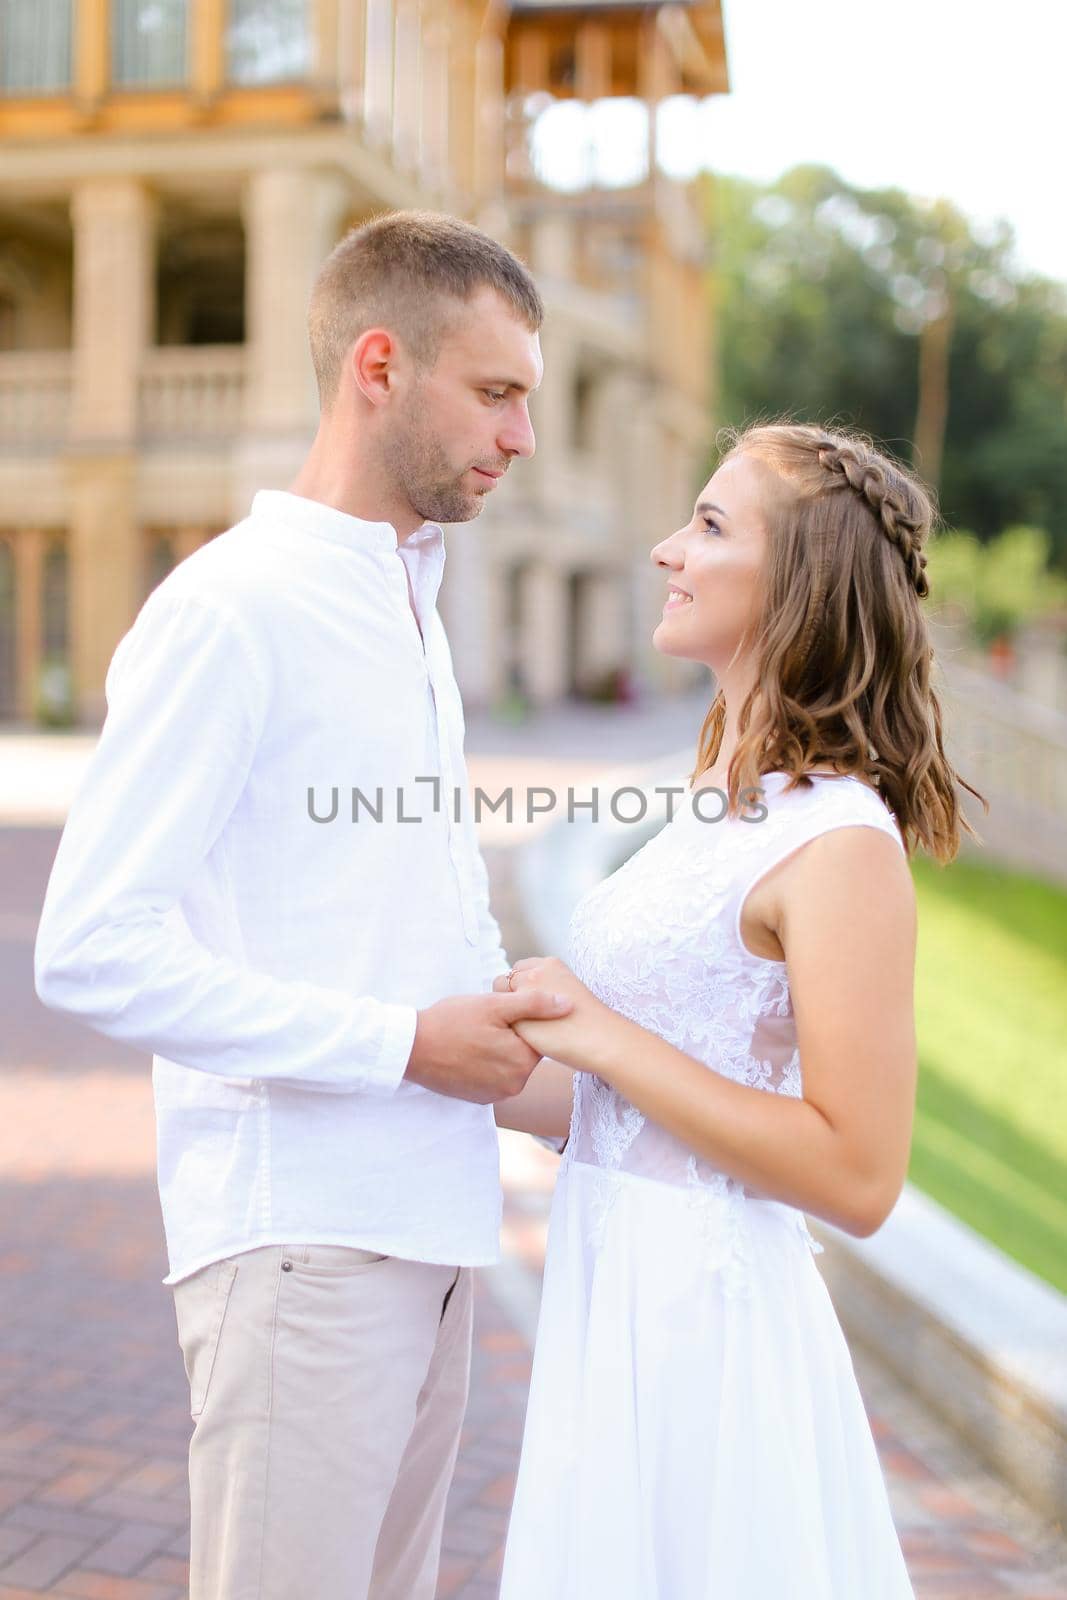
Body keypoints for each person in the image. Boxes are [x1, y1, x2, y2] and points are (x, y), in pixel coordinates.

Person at [33, 210, 575, 1600]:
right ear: (378, 366)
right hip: (302, 1255)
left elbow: (386, 925)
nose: (521, 436)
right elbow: (91, 948)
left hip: (432, 1236)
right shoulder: (234, 608)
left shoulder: (407, 600)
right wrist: (403, 1043)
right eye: (497, 392)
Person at [492, 421, 987, 1598]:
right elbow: (626, 1098)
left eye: (709, 526)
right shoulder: (721, 803)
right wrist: (444, 1054)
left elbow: (857, 1173)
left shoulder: (840, 843)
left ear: (800, 586)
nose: (667, 549)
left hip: (704, 1337)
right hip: (605, 1292)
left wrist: (599, 1032)